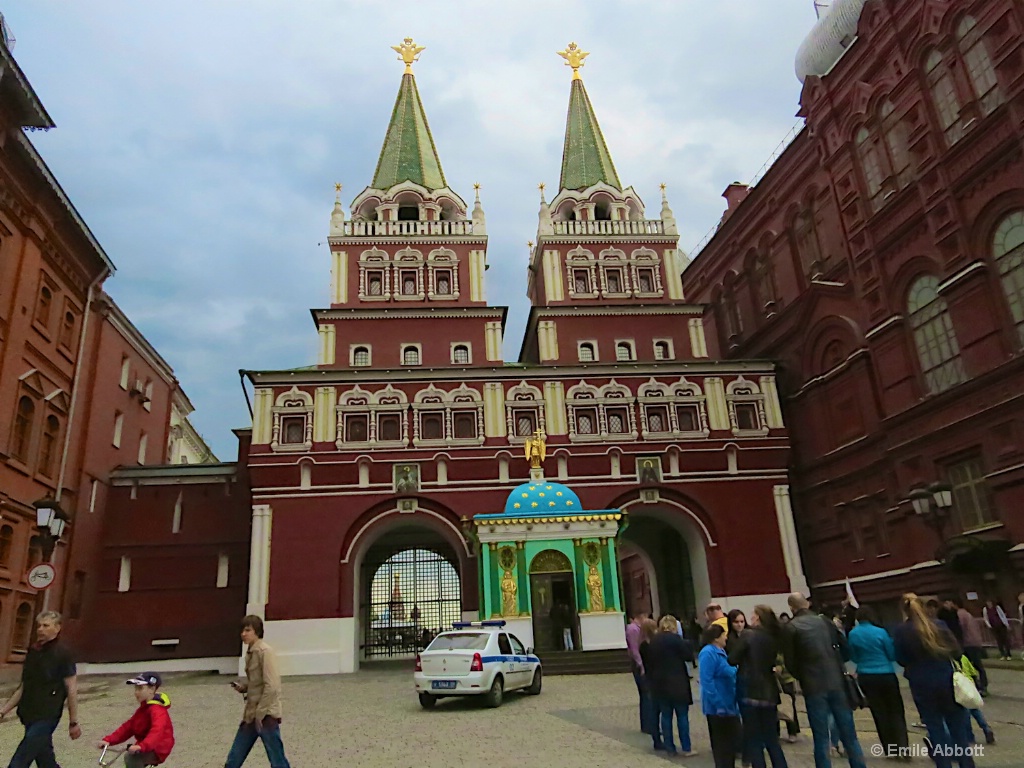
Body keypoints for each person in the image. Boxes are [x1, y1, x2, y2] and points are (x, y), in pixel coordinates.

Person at [781, 592, 867, 768]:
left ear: (792, 607)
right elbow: (845, 649)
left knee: (821, 738)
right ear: (807, 604)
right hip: (837, 682)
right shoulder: (825, 622)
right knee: (850, 735)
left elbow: (790, 662)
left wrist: (803, 676)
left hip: (813, 686)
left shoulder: (791, 627)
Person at [893, 593, 974, 768]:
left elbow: (900, 658)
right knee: (958, 730)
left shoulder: (901, 631)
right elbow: (957, 652)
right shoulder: (939, 625)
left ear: (904, 610)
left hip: (921, 684)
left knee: (935, 730)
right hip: (946, 680)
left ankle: (943, 764)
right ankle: (966, 764)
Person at [0, 611, 81, 768]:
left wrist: (73, 722)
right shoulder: (33, 652)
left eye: (46, 625)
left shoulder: (63, 654)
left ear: (57, 628)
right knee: (46, 760)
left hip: (48, 714)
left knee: (21, 759)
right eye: (39, 626)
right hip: (29, 713)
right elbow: (24, 686)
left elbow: (71, 688)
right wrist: (4, 711)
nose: (40, 630)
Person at [225, 615, 291, 768]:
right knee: (234, 758)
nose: (243, 634)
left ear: (257, 632)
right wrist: (244, 687)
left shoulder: (265, 652)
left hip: (265, 715)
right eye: (242, 630)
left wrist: (260, 713)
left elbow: (272, 686)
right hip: (251, 713)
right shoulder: (251, 652)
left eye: (248, 630)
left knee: (277, 760)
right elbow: (258, 681)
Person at [729, 605, 788, 768]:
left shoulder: (748, 635)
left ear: (758, 618)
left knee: (753, 737)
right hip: (769, 690)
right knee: (771, 738)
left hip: (750, 689)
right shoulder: (774, 636)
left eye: (753, 615)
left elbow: (732, 659)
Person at [847, 605, 908, 759]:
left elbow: (853, 657)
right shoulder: (880, 632)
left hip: (866, 675)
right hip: (886, 674)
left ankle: (890, 749)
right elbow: (891, 654)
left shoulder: (853, 634)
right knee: (895, 711)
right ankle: (903, 748)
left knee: (879, 713)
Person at [643, 615, 697, 757]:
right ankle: (686, 747)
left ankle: (669, 747)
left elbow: (650, 662)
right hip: (677, 682)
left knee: (666, 716)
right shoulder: (676, 639)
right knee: (682, 716)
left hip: (659, 683)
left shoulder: (654, 641)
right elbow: (687, 656)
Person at [97, 672, 175, 767]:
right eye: (136, 689)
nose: (136, 692)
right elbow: (129, 727)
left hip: (158, 747)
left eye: (140, 688)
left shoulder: (157, 710)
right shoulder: (143, 709)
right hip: (146, 745)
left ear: (152, 689)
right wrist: (109, 740)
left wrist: (143, 746)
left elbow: (157, 731)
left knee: (131, 758)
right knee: (132, 757)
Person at [700, 624, 741, 768]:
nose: (726, 637)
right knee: (721, 745)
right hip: (717, 707)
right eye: (724, 635)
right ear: (716, 638)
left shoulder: (721, 651)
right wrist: (718, 703)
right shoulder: (708, 653)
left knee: (730, 744)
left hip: (729, 703)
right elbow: (707, 680)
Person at [625, 610, 655, 736]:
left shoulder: (637, 629)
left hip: (640, 664)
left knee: (645, 695)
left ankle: (647, 724)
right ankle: (648, 725)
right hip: (639, 665)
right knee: (646, 694)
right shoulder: (633, 629)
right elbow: (635, 649)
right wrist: (641, 665)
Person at [954, 653, 994, 745]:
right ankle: (986, 729)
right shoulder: (964, 658)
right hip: (970, 686)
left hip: (960, 688)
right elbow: (973, 673)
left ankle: (970, 736)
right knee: (975, 710)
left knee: (965, 714)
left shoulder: (951, 661)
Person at [637, 618, 662, 750]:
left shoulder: (643, 645)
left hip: (649, 676)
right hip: (654, 678)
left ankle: (656, 735)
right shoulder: (649, 646)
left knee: (654, 709)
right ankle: (657, 737)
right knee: (656, 709)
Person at [953, 597, 987, 695]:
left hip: (968, 643)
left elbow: (961, 628)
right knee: (977, 665)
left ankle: (980, 685)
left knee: (972, 665)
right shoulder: (967, 613)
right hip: (975, 641)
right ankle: (981, 685)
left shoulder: (960, 614)